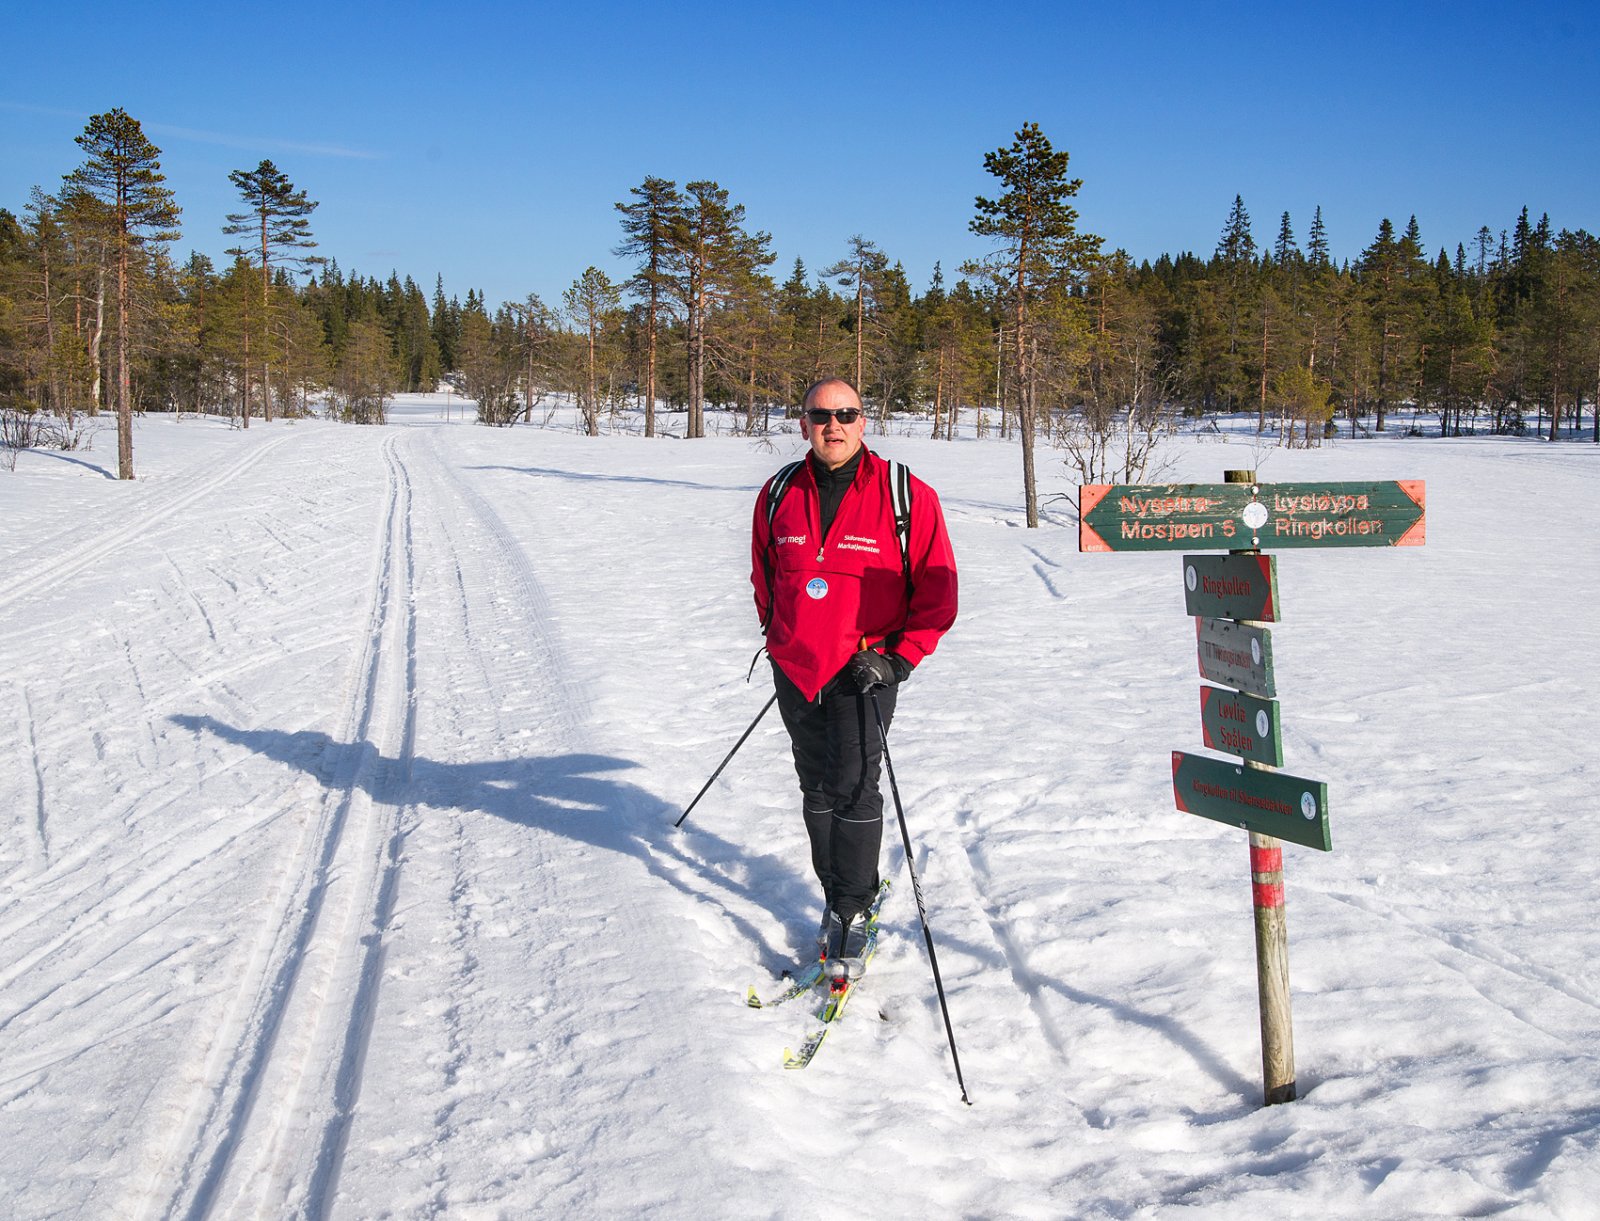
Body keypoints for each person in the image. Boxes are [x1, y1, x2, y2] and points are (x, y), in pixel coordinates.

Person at [751, 377, 958, 983]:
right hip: (796, 668)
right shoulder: (779, 492)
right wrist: (779, 635)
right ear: (804, 424)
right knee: (814, 784)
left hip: (866, 668)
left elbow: (938, 591)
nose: (833, 425)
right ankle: (833, 890)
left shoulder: (905, 494)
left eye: (845, 414)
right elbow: (765, 575)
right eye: (821, 415)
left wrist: (900, 658)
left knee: (854, 786)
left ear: (864, 422)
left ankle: (852, 906)